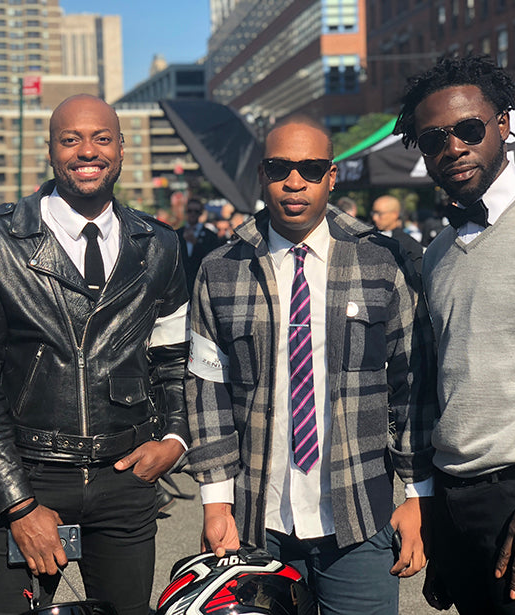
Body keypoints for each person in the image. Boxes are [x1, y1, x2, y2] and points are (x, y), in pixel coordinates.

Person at [0, 94, 190, 615]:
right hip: (33, 474)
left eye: (102, 138)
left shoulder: (160, 245)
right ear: (51, 150)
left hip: (126, 477)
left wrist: (174, 438)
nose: (87, 151)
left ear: (121, 148)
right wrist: (17, 501)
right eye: (70, 139)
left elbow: (175, 357)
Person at [186, 115, 436, 614]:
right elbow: (206, 387)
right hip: (257, 517)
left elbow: (412, 382)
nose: (294, 182)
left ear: (332, 175)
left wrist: (416, 495)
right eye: (280, 168)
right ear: (262, 174)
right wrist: (216, 501)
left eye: (311, 168)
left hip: (360, 512)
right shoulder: (220, 269)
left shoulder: (379, 261)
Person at [394, 54, 515, 613]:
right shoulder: (439, 252)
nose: (453, 147)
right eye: (433, 138)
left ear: (503, 125)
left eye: (469, 129)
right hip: (456, 501)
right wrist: (438, 516)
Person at [176, 198, 223, 295]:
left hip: (201, 282)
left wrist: (196, 244)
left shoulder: (210, 235)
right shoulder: (178, 234)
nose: (193, 214)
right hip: (182, 285)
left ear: (201, 213)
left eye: (196, 211)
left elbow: (213, 257)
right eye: (190, 211)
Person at [370, 195, 424, 274]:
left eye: (379, 213)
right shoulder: (368, 237)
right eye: (373, 213)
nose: (374, 218)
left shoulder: (410, 245)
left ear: (395, 214)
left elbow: (416, 277)